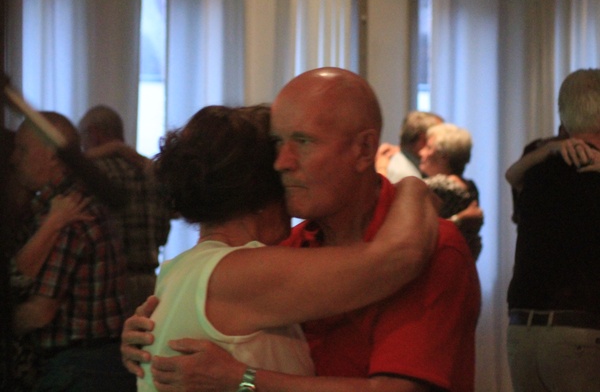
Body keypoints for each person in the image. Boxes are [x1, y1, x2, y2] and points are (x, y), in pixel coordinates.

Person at [122, 68, 481, 392]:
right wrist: (414, 188)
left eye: (304, 141)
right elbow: (392, 258)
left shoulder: (434, 247)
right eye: (278, 144)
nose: (283, 162)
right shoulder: (285, 252)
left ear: (364, 149)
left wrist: (242, 378)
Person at [10, 112, 136, 391]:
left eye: (22, 149)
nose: (14, 159)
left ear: (52, 156)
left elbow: (41, 312)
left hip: (79, 368)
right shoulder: (65, 204)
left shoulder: (70, 212)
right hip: (91, 364)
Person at [506, 68, 600, 392]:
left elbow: (511, 177)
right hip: (581, 332)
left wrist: (547, 150)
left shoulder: (536, 166)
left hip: (522, 330)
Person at [79, 105, 173, 313]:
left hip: (109, 284)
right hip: (150, 282)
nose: (82, 145)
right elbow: (164, 231)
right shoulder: (149, 172)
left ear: (94, 133)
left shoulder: (95, 173)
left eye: (82, 138)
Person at [418, 123, 483, 260]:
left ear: (443, 156)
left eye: (428, 147)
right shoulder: (472, 187)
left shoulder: (438, 186)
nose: (421, 152)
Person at [376, 110, 444, 182]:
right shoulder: (408, 178)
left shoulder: (401, 161)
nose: (443, 144)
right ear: (423, 141)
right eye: (439, 138)